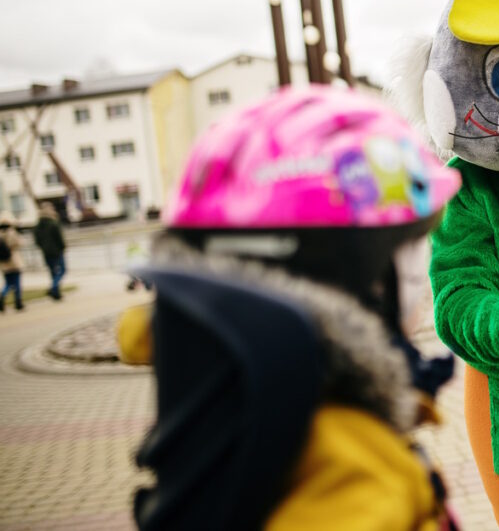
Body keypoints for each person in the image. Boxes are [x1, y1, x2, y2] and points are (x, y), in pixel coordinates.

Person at [120, 86, 462, 530]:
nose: (423, 276)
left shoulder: (228, 388)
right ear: (361, 277)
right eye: (414, 252)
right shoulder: (358, 470)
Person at [33, 201, 65, 301]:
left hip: (46, 252)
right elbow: (59, 238)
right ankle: (54, 287)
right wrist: (62, 247)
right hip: (56, 251)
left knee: (53, 273)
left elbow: (37, 240)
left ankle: (56, 294)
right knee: (62, 270)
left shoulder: (38, 225)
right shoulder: (53, 223)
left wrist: (42, 247)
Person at [0, 211, 24, 312]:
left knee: (8, 282)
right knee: (17, 282)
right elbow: (20, 243)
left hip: (3, 262)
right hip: (14, 260)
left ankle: (2, 295)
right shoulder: (12, 232)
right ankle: (18, 302)